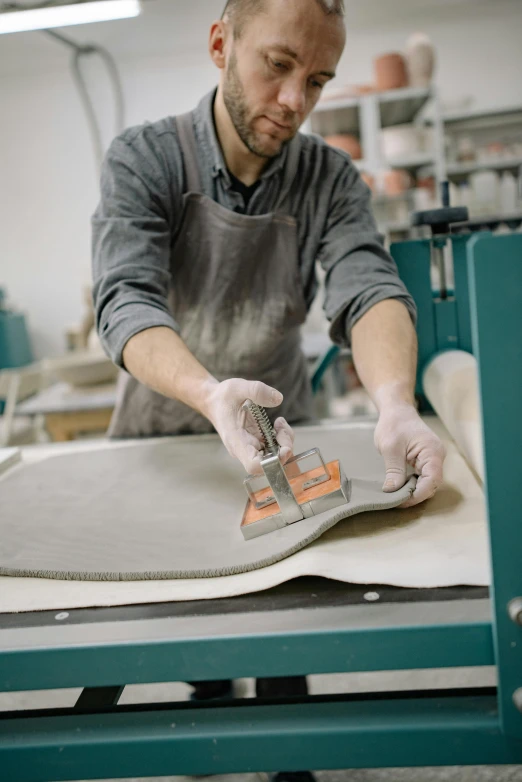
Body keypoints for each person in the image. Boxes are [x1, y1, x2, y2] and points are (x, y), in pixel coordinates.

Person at [92, 0, 445, 779]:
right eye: (278, 66)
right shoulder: (145, 159)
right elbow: (125, 301)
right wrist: (210, 393)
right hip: (166, 436)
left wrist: (394, 400)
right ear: (221, 43)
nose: (296, 102)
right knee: (191, 631)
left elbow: (368, 287)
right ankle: (209, 718)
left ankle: (292, 760)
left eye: (317, 80)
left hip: (273, 439)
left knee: (288, 621)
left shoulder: (328, 177)